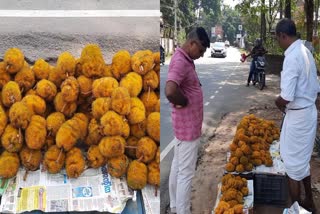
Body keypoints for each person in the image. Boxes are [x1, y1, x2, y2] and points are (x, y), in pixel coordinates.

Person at [274, 18, 319, 212]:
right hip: (308, 113)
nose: (278, 42)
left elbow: (286, 96)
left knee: (292, 167)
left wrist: (277, 102)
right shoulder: (306, 51)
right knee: (303, 163)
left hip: (299, 117)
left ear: (283, 36)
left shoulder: (292, 56)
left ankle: (298, 208)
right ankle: (309, 201)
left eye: (278, 39)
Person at [165, 27, 210, 214]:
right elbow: (170, 90)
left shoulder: (185, 59)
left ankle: (175, 206)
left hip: (184, 128)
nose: (200, 55)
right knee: (186, 173)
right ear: (191, 43)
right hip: (188, 129)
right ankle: (183, 210)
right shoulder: (181, 62)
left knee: (177, 166)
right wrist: (184, 102)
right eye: (200, 50)